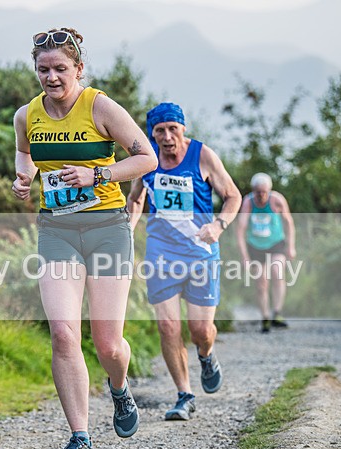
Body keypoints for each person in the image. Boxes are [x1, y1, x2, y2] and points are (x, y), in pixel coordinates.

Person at [11, 28, 157, 449]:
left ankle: (119, 386)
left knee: (109, 344)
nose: (51, 77)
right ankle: (80, 438)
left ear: (78, 68)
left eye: (60, 68)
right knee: (63, 333)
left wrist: (98, 174)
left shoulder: (100, 107)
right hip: (56, 230)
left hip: (107, 228)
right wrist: (24, 177)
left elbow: (146, 158)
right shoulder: (27, 115)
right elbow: (24, 153)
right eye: (43, 69)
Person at [127, 103, 241, 421]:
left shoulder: (202, 155)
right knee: (167, 326)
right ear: (151, 134)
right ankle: (184, 395)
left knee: (200, 330)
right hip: (161, 253)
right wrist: (128, 229)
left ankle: (206, 354)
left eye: (172, 129)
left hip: (201, 253)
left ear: (183, 129)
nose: (167, 137)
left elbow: (233, 195)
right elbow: (136, 197)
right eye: (159, 131)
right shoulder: (147, 159)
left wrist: (218, 225)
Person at [235, 172, 296, 333]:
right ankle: (265, 317)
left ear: (269, 190)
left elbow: (288, 222)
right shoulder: (248, 203)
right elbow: (240, 230)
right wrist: (244, 257)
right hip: (255, 246)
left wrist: (291, 246)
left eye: (264, 192)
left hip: (276, 243)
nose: (261, 195)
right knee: (261, 283)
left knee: (277, 272)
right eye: (258, 192)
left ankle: (277, 312)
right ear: (253, 191)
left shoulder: (277, 200)